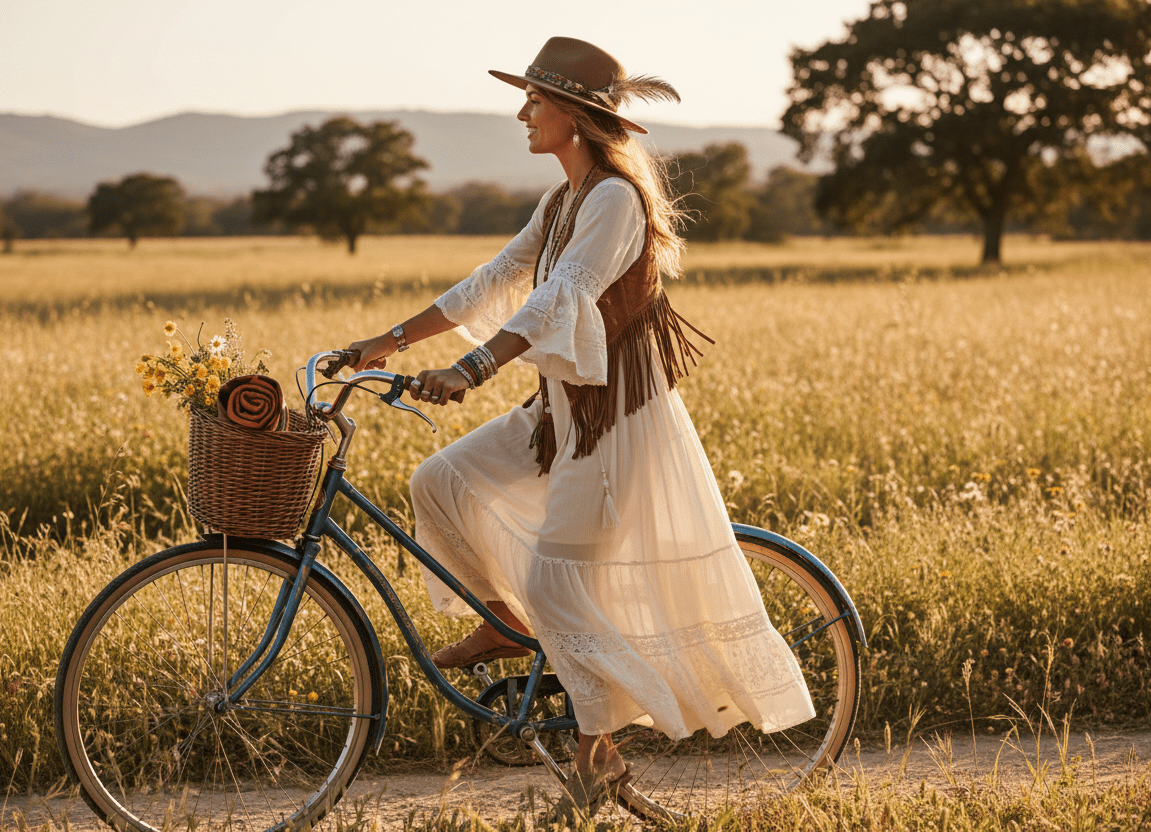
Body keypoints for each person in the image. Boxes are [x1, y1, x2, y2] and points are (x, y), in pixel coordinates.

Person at [347, 36, 815, 820]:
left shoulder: (615, 201)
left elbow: (561, 295)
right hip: (557, 413)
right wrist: (386, 341)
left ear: (575, 114)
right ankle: (505, 627)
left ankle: (596, 755)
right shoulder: (562, 201)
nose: (523, 114)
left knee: (555, 584)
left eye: (536, 100)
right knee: (441, 481)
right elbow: (494, 279)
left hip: (613, 420)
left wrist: (472, 368)